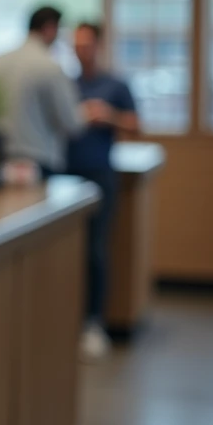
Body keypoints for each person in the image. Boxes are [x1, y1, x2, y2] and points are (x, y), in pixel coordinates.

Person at [68, 22, 139, 361]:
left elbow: (136, 124)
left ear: (98, 46)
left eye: (87, 45)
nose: (81, 51)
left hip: (100, 174)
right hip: (67, 176)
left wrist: (108, 116)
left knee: (96, 250)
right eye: (76, 45)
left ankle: (93, 323)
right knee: (68, 252)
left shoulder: (116, 84)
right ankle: (66, 321)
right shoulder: (66, 84)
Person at [0, 6, 99, 179]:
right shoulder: (50, 67)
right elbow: (72, 124)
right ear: (50, 28)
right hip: (40, 163)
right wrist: (88, 113)